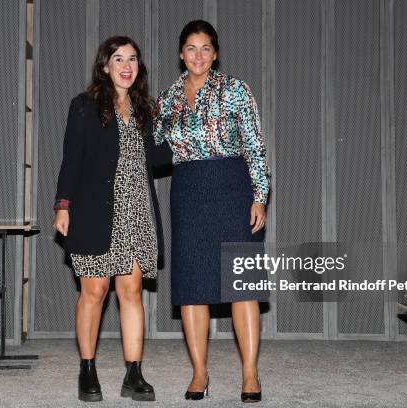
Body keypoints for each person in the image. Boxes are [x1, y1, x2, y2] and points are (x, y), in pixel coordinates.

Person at [153, 20, 271, 403]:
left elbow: (254, 146)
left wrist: (259, 195)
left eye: (205, 48)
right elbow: (152, 146)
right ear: (181, 54)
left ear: (215, 53)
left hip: (233, 188)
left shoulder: (236, 90)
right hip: (188, 192)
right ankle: (200, 373)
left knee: (242, 286)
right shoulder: (167, 97)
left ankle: (250, 374)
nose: (198, 56)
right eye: (191, 48)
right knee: (192, 289)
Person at [53, 36, 169, 403]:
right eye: (118, 59)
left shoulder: (145, 110)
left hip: (137, 211)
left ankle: (134, 373)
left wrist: (191, 135)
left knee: (131, 292)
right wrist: (63, 204)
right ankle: (87, 369)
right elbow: (71, 159)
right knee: (94, 292)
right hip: (93, 209)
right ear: (105, 66)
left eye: (133, 59)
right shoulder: (85, 106)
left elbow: (160, 155)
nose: (126, 65)